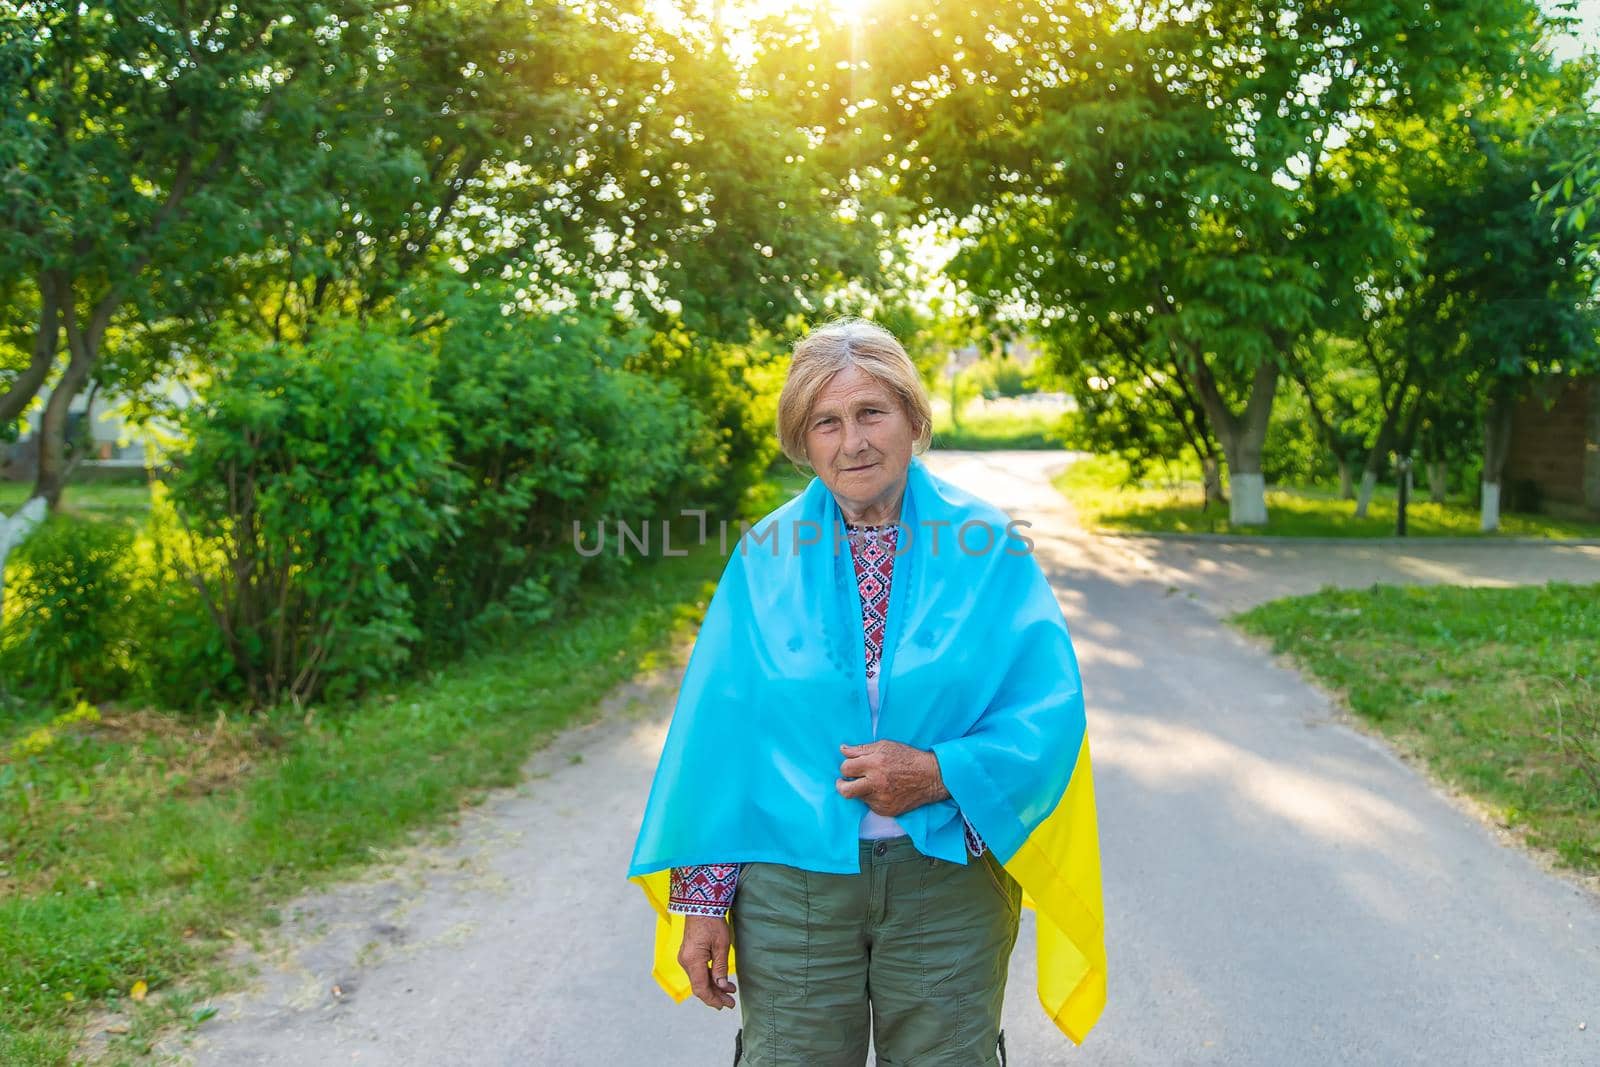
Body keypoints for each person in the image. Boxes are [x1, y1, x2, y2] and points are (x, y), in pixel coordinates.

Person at [628, 317, 1105, 1065]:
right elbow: (722, 741)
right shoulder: (764, 557)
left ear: (913, 419)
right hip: (791, 890)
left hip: (945, 880)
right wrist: (702, 902)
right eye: (827, 421)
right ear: (804, 440)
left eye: (871, 412)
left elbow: (1047, 714)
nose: (853, 440)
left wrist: (939, 771)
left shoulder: (988, 546)